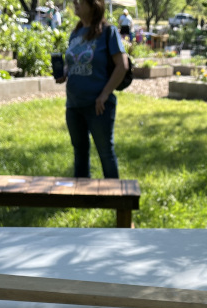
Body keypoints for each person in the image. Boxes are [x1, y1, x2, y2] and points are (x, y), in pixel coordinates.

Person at [55, 0, 127, 179]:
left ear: (93, 5)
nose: (75, 3)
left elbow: (122, 66)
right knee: (79, 152)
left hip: (98, 105)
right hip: (74, 104)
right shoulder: (75, 33)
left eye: (80, 1)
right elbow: (72, 63)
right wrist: (63, 72)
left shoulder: (108, 32)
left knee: (105, 153)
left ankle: (115, 198)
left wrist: (104, 95)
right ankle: (81, 199)